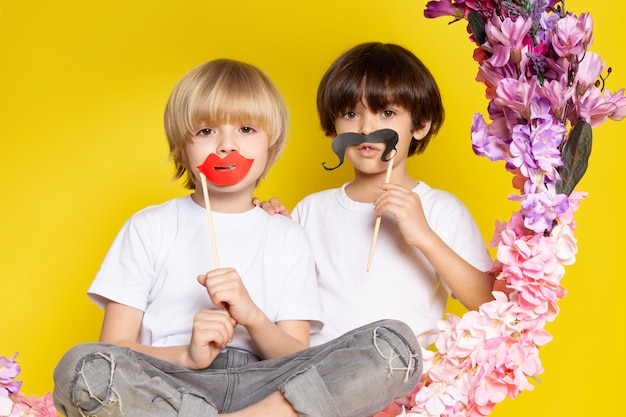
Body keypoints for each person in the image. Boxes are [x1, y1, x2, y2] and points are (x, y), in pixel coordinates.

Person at [53, 58, 421, 417]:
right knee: (80, 365)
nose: (226, 146)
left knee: (395, 345)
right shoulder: (149, 226)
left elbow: (294, 359)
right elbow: (114, 349)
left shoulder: (288, 236)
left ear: (270, 145)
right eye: (206, 131)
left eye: (246, 130)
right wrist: (188, 356)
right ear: (183, 145)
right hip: (169, 382)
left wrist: (253, 317)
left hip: (267, 384)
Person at [257, 42, 496, 350]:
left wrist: (424, 236)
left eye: (386, 112)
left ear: (420, 125)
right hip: (319, 375)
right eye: (350, 113)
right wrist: (275, 236)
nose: (367, 127)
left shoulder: (441, 209)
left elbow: (488, 302)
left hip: (401, 378)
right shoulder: (312, 210)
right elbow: (284, 301)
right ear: (334, 127)